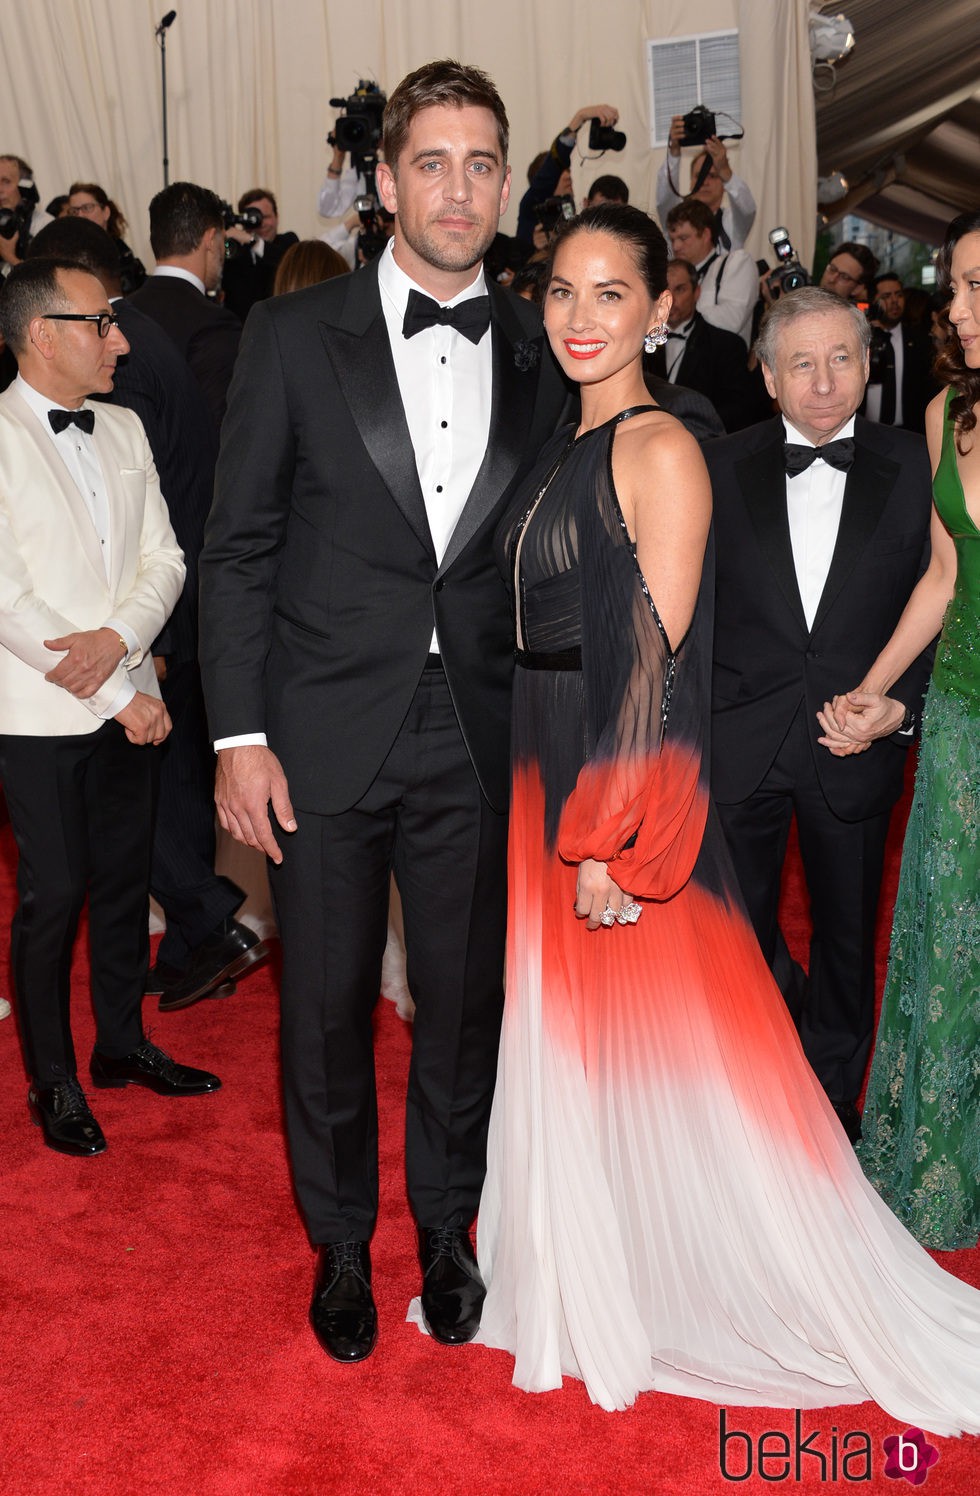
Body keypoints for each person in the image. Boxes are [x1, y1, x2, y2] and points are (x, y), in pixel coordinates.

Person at [470, 203, 980, 1429]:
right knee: (586, 1043)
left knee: (674, 1046)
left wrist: (614, 829)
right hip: (546, 764)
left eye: (610, 294)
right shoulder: (557, 440)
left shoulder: (657, 447)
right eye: (559, 292)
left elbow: (655, 652)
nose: (580, 316)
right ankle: (605, 1261)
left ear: (661, 307)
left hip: (606, 780)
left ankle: (690, 1270)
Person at [198, 58, 569, 1365]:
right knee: (326, 1009)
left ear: (507, 183)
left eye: (481, 163)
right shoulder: (296, 336)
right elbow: (237, 547)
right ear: (383, 179)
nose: (457, 188)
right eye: (432, 161)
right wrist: (237, 737)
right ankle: (344, 1244)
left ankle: (450, 1231)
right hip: (318, 733)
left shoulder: (540, 347)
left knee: (465, 1009)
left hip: (478, 732)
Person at [0, 258, 220, 1158]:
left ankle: (121, 1045)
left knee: (129, 885)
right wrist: (113, 680)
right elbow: (7, 597)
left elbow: (167, 559)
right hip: (41, 711)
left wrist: (118, 645)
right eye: (102, 323)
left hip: (130, 696)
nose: (120, 340)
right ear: (42, 333)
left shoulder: (126, 425)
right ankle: (50, 1080)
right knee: (53, 897)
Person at [704, 288, 934, 1143]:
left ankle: (835, 1101)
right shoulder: (719, 464)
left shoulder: (915, 464)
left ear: (869, 366)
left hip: (855, 741)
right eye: (801, 362)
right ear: (767, 375)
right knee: (736, 934)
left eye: (842, 358)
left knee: (847, 937)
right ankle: (766, 1057)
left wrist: (898, 711)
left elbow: (941, 608)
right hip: (742, 739)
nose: (825, 381)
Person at [28, 215, 270, 1015]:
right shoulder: (148, 348)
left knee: (127, 836)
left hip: (155, 629)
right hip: (124, 648)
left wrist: (141, 642)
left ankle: (188, 945)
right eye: (99, 321)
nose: (114, 336)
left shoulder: (121, 387)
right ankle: (195, 938)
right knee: (118, 836)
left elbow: (145, 536)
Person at [819, 208, 980, 1250]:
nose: (953, 310)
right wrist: (872, 692)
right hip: (961, 726)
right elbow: (940, 573)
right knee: (947, 951)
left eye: (972, 287)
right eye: (954, 287)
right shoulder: (943, 415)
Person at [127, 182, 242, 435]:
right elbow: (221, 428)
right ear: (211, 240)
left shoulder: (121, 313)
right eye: (223, 242)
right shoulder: (215, 324)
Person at [645, 256, 757, 431]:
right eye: (665, 290)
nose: (671, 298)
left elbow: (739, 412)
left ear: (697, 293)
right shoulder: (639, 345)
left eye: (680, 289)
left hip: (708, 448)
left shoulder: (728, 346)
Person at [665, 198, 757, 347]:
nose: (676, 246)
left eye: (683, 238)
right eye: (672, 239)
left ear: (706, 234)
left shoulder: (736, 263)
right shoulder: (672, 274)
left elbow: (731, 321)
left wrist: (676, 315)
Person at [656, 117, 756, 250]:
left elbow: (747, 209)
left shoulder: (731, 223)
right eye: (699, 176)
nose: (705, 182)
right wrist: (674, 151)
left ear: (724, 185)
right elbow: (664, 199)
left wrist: (725, 170)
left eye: (713, 176)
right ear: (691, 184)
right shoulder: (676, 219)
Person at [862, 270, 937, 434]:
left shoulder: (920, 341)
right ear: (873, 301)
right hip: (865, 432)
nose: (895, 301)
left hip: (908, 433)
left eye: (899, 295)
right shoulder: (860, 338)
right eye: (886, 296)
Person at [220, 188, 299, 320]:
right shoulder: (233, 252)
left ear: (277, 217)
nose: (261, 224)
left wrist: (253, 242)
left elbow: (289, 267)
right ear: (243, 222)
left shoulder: (289, 241)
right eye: (254, 218)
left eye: (266, 217)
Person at [66, 182, 146, 293]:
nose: (80, 215)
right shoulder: (66, 254)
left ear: (106, 212)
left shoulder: (122, 253)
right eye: (74, 211)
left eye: (87, 208)